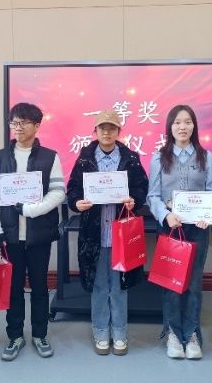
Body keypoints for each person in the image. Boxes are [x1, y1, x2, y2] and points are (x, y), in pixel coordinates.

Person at [0, 102, 65, 361]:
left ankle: (40, 334)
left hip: (39, 235)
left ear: (37, 126)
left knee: (40, 287)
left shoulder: (50, 157)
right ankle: (15, 336)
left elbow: (58, 192)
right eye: (14, 123)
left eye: (23, 123)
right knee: (13, 288)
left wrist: (30, 210)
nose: (17, 128)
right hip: (10, 237)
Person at [67, 109, 148, 356]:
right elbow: (73, 190)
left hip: (122, 234)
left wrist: (134, 200)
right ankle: (101, 331)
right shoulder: (85, 159)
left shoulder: (130, 158)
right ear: (95, 131)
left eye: (112, 128)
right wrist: (77, 203)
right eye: (102, 128)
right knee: (99, 285)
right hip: (94, 235)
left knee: (120, 286)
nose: (107, 132)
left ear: (118, 131)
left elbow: (141, 187)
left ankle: (120, 332)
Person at [147, 104, 212, 360]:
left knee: (194, 284)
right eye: (177, 122)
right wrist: (165, 215)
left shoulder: (206, 157)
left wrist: (207, 216)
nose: (182, 127)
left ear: (194, 126)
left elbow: (211, 192)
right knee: (171, 283)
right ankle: (174, 334)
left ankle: (192, 334)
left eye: (187, 122)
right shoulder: (159, 157)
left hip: (197, 229)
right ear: (170, 127)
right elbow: (153, 195)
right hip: (170, 226)